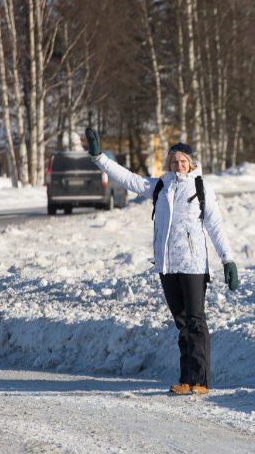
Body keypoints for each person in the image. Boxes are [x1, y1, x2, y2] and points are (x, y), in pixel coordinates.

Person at [85, 127, 238, 395]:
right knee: (182, 324)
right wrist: (100, 158)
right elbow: (129, 179)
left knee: (196, 321)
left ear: (191, 163)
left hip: (192, 265)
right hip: (166, 267)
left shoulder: (202, 188)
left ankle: (200, 382)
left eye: (183, 162)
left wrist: (228, 260)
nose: (178, 166)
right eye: (174, 161)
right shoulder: (161, 186)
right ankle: (186, 380)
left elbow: (215, 225)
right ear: (169, 163)